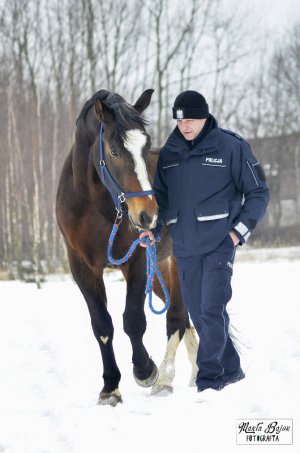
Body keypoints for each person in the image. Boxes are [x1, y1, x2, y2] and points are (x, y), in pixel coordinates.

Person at [139, 90, 269, 393]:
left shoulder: (231, 146)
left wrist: (238, 231)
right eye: (180, 120)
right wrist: (154, 233)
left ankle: (208, 382)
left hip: (219, 243)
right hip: (184, 248)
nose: (185, 126)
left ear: (205, 117)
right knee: (199, 313)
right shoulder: (169, 153)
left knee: (212, 308)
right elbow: (163, 202)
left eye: (191, 120)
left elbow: (259, 192)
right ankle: (232, 370)